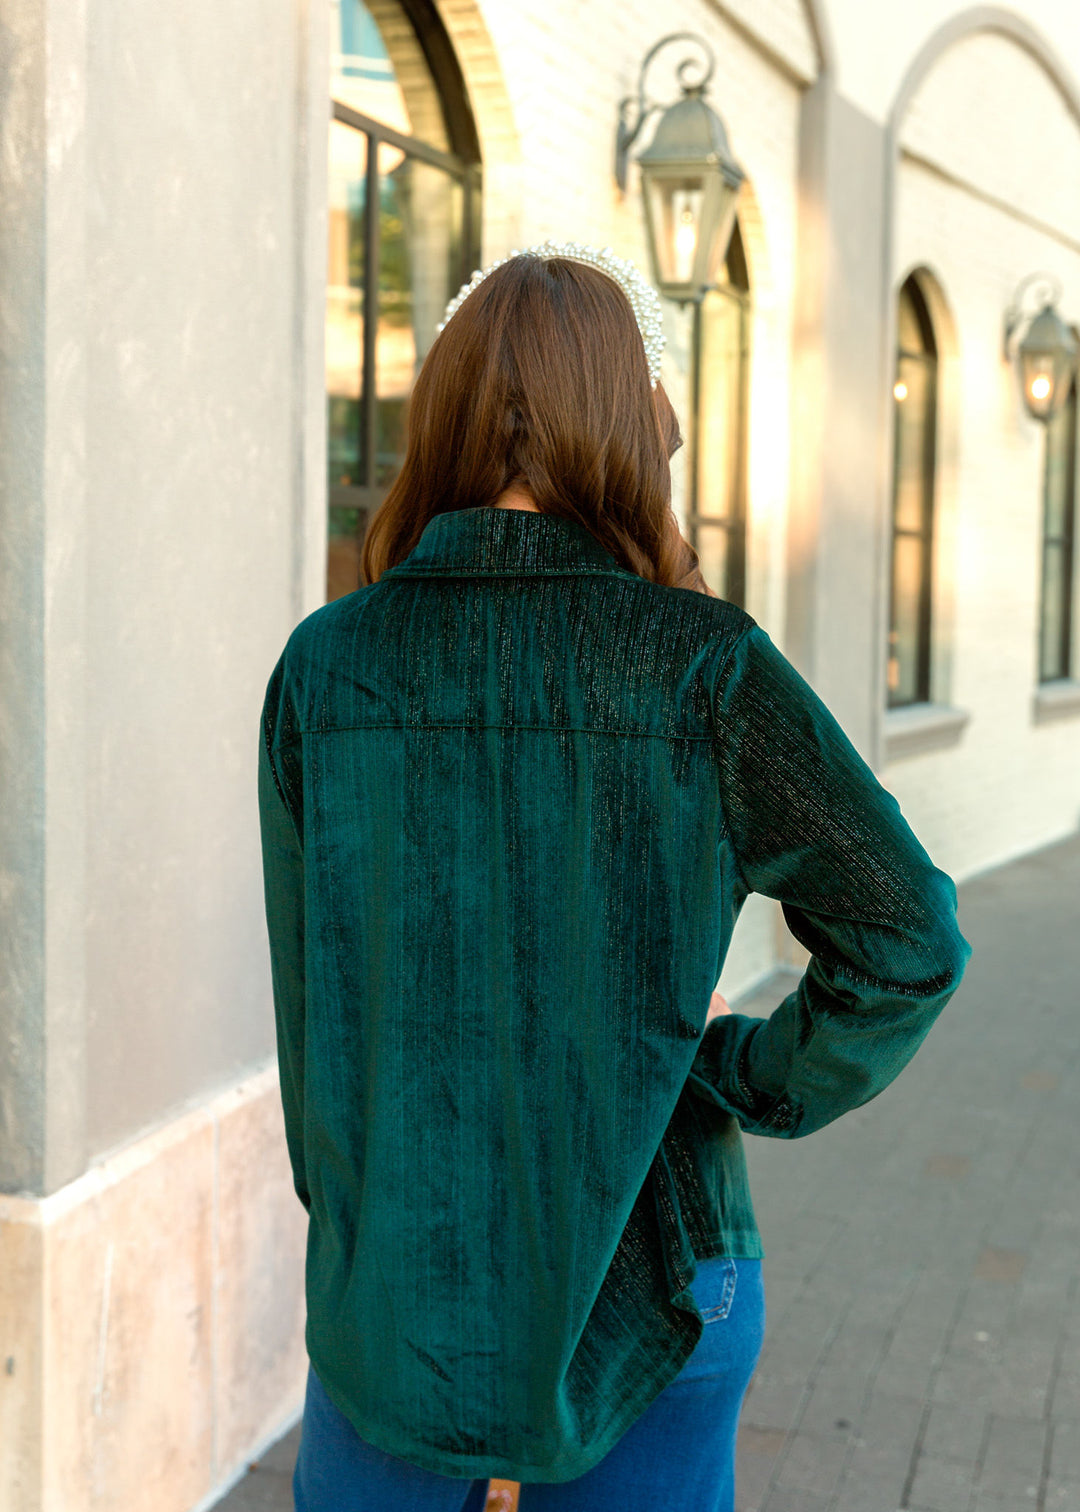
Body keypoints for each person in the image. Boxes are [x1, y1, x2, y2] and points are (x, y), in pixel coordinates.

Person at [257, 240, 973, 1512]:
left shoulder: (328, 668)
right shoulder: (704, 668)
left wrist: (369, 1226)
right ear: (632, 423)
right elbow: (908, 934)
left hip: (397, 1299)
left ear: (445, 416)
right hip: (660, 1270)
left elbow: (316, 1042)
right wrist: (747, 1073)